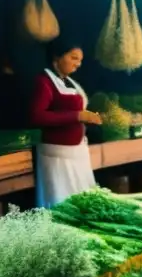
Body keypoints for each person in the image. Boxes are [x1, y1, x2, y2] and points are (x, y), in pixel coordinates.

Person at [29, 37, 101, 207]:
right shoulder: (44, 82)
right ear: (57, 57)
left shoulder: (69, 81)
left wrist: (88, 116)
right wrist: (77, 116)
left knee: (81, 202)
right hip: (56, 157)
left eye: (80, 60)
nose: (78, 64)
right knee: (61, 203)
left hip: (77, 153)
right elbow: (37, 116)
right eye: (74, 58)